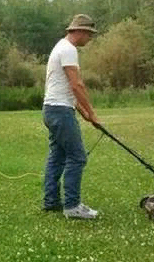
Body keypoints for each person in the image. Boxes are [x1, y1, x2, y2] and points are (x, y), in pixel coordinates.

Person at [42, 14, 101, 219]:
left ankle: (51, 202)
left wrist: (83, 113)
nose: (90, 39)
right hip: (60, 111)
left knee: (57, 157)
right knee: (77, 157)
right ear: (80, 31)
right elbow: (76, 85)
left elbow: (64, 87)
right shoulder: (69, 50)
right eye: (89, 35)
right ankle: (72, 206)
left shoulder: (60, 46)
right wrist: (92, 113)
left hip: (51, 109)